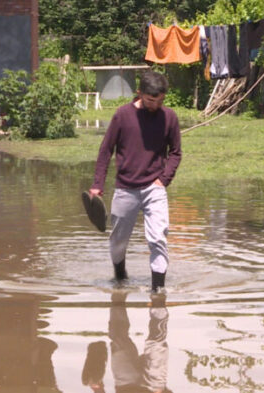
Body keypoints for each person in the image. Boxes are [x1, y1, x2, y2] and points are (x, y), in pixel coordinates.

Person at [89, 71, 182, 293]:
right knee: (118, 241)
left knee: (158, 238)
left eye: (160, 101)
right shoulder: (122, 115)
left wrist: (164, 179)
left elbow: (176, 152)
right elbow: (105, 150)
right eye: (152, 100)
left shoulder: (169, 117)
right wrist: (97, 184)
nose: (156, 105)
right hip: (125, 188)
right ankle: (120, 276)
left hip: (154, 188)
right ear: (140, 93)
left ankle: (157, 290)